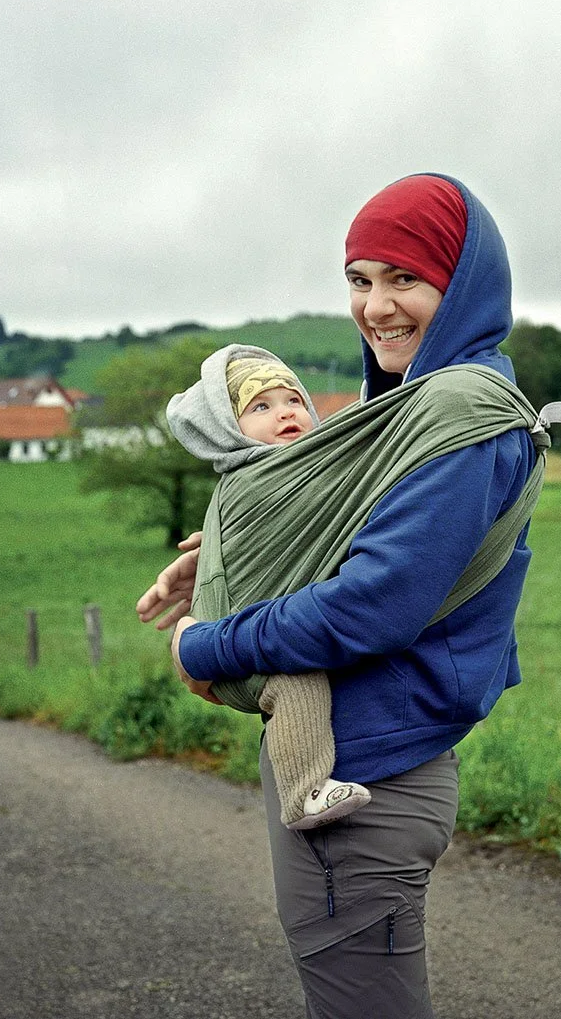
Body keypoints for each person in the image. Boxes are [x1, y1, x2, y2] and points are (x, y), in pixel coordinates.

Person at [138, 173, 548, 1019]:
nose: (377, 306)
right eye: (360, 280)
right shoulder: (400, 408)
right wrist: (218, 558)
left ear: (464, 281)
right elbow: (335, 528)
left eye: (405, 278)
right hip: (371, 764)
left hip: (366, 784)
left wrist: (207, 644)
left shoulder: (457, 410)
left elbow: (374, 602)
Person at [165, 343, 372, 831]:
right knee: (298, 682)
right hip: (239, 653)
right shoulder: (254, 476)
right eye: (261, 407)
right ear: (228, 428)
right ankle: (303, 795)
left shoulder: (292, 469)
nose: (285, 414)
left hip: (234, 639)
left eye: (294, 401)